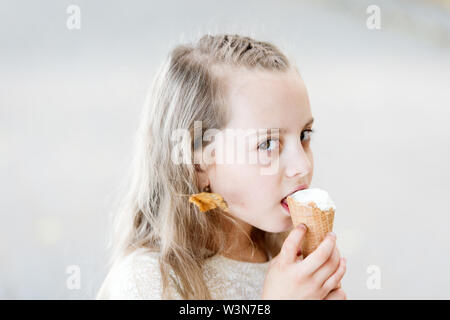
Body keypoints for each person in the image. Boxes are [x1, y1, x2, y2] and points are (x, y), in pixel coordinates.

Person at [96, 33, 347, 300]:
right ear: (199, 164)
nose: (302, 165)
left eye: (304, 135)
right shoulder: (148, 282)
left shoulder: (289, 261)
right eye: (268, 144)